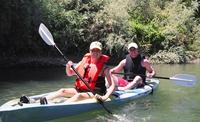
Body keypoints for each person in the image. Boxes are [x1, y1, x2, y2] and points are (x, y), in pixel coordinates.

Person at [39, 41, 115, 104]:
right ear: (90, 51)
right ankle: (37, 101)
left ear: (101, 52)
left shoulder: (105, 68)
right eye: (93, 50)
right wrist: (68, 66)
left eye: (97, 51)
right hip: (81, 90)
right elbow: (70, 73)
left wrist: (104, 97)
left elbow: (112, 85)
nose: (95, 53)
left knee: (78, 96)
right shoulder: (83, 62)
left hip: (95, 93)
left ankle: (58, 107)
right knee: (62, 91)